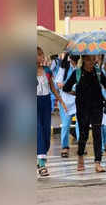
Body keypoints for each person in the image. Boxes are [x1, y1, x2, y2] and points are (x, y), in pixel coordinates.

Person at [63, 55, 106, 173]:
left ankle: (97, 162)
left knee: (97, 133)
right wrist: (77, 94)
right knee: (84, 134)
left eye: (93, 59)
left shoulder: (98, 72)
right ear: (84, 60)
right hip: (82, 107)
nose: (92, 62)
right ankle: (80, 156)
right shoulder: (77, 72)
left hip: (97, 106)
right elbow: (65, 88)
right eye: (89, 59)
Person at [37, 47, 67, 176]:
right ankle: (42, 164)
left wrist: (61, 102)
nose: (42, 57)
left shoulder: (47, 71)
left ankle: (40, 156)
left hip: (46, 102)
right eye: (38, 54)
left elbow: (53, 89)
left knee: (45, 133)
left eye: (42, 54)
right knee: (37, 130)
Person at [55, 53, 80, 158]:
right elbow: (59, 84)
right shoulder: (64, 67)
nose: (74, 62)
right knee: (65, 125)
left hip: (78, 100)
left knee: (80, 124)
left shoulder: (80, 69)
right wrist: (70, 88)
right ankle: (65, 147)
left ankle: (80, 145)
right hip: (65, 101)